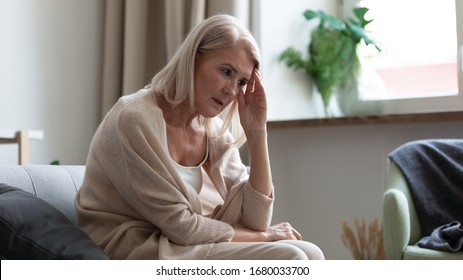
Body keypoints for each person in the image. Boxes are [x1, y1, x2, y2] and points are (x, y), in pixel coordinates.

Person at [75, 14, 324, 260]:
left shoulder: (213, 132)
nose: (231, 90)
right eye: (227, 72)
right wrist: (264, 237)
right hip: (141, 247)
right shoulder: (134, 118)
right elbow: (182, 227)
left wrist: (258, 133)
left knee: (312, 253)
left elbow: (256, 221)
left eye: (241, 82)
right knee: (292, 257)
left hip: (183, 242)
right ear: (193, 59)